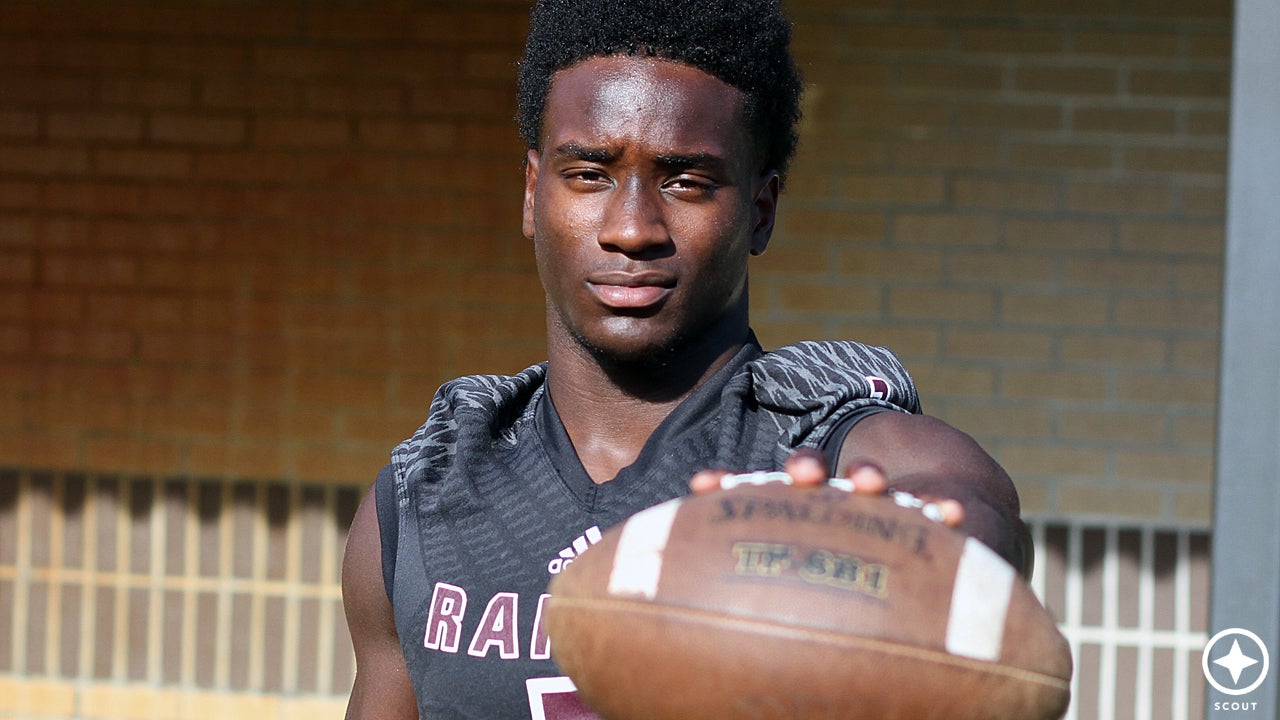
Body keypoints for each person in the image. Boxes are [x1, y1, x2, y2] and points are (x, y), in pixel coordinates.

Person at [342, 0, 1031, 717]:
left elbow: (968, 504)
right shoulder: (426, 496)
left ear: (760, 210)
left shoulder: (826, 451)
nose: (632, 228)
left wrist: (926, 541)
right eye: (588, 174)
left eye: (685, 181)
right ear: (531, 191)